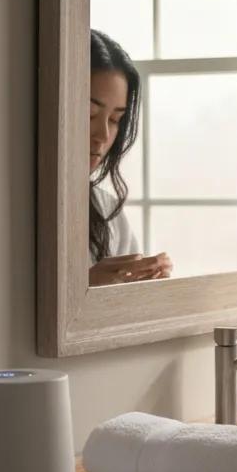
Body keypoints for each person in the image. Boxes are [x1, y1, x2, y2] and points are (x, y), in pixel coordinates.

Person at [89, 29, 172, 286]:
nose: (103, 135)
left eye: (116, 120)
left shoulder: (106, 210)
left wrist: (146, 284)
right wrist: (81, 287)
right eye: (90, 113)